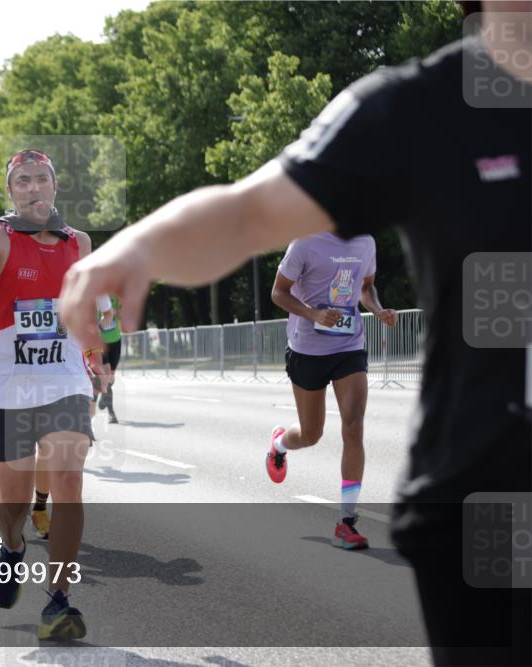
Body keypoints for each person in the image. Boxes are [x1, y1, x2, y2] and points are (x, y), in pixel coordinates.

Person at [58, 7, 531, 662]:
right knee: (318, 431)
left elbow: (364, 282)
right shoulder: (419, 108)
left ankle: (342, 511)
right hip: (492, 495)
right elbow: (249, 212)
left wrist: (375, 304)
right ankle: (294, 450)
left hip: (358, 349)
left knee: (357, 426)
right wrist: (135, 248)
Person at [0, 149, 108, 640]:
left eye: (42, 178)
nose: (34, 187)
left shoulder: (79, 243)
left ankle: (59, 600)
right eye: (24, 181)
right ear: (12, 191)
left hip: (64, 381)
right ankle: (13, 547)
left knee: (70, 484)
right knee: (12, 503)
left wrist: (96, 349)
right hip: (6, 385)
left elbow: (97, 312)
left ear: (55, 187)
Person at [266, 233, 397, 549]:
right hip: (307, 349)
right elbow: (278, 292)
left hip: (348, 346)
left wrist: (377, 310)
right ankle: (280, 444)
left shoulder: (366, 241)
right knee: (311, 434)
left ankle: (347, 522)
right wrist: (313, 313)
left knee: (354, 428)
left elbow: (365, 286)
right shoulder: (305, 242)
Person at [95, 295, 122, 424]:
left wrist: (115, 311)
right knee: (104, 375)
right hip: (100, 341)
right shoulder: (96, 291)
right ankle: (111, 413)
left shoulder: (117, 293)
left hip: (115, 339)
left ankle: (104, 394)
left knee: (110, 378)